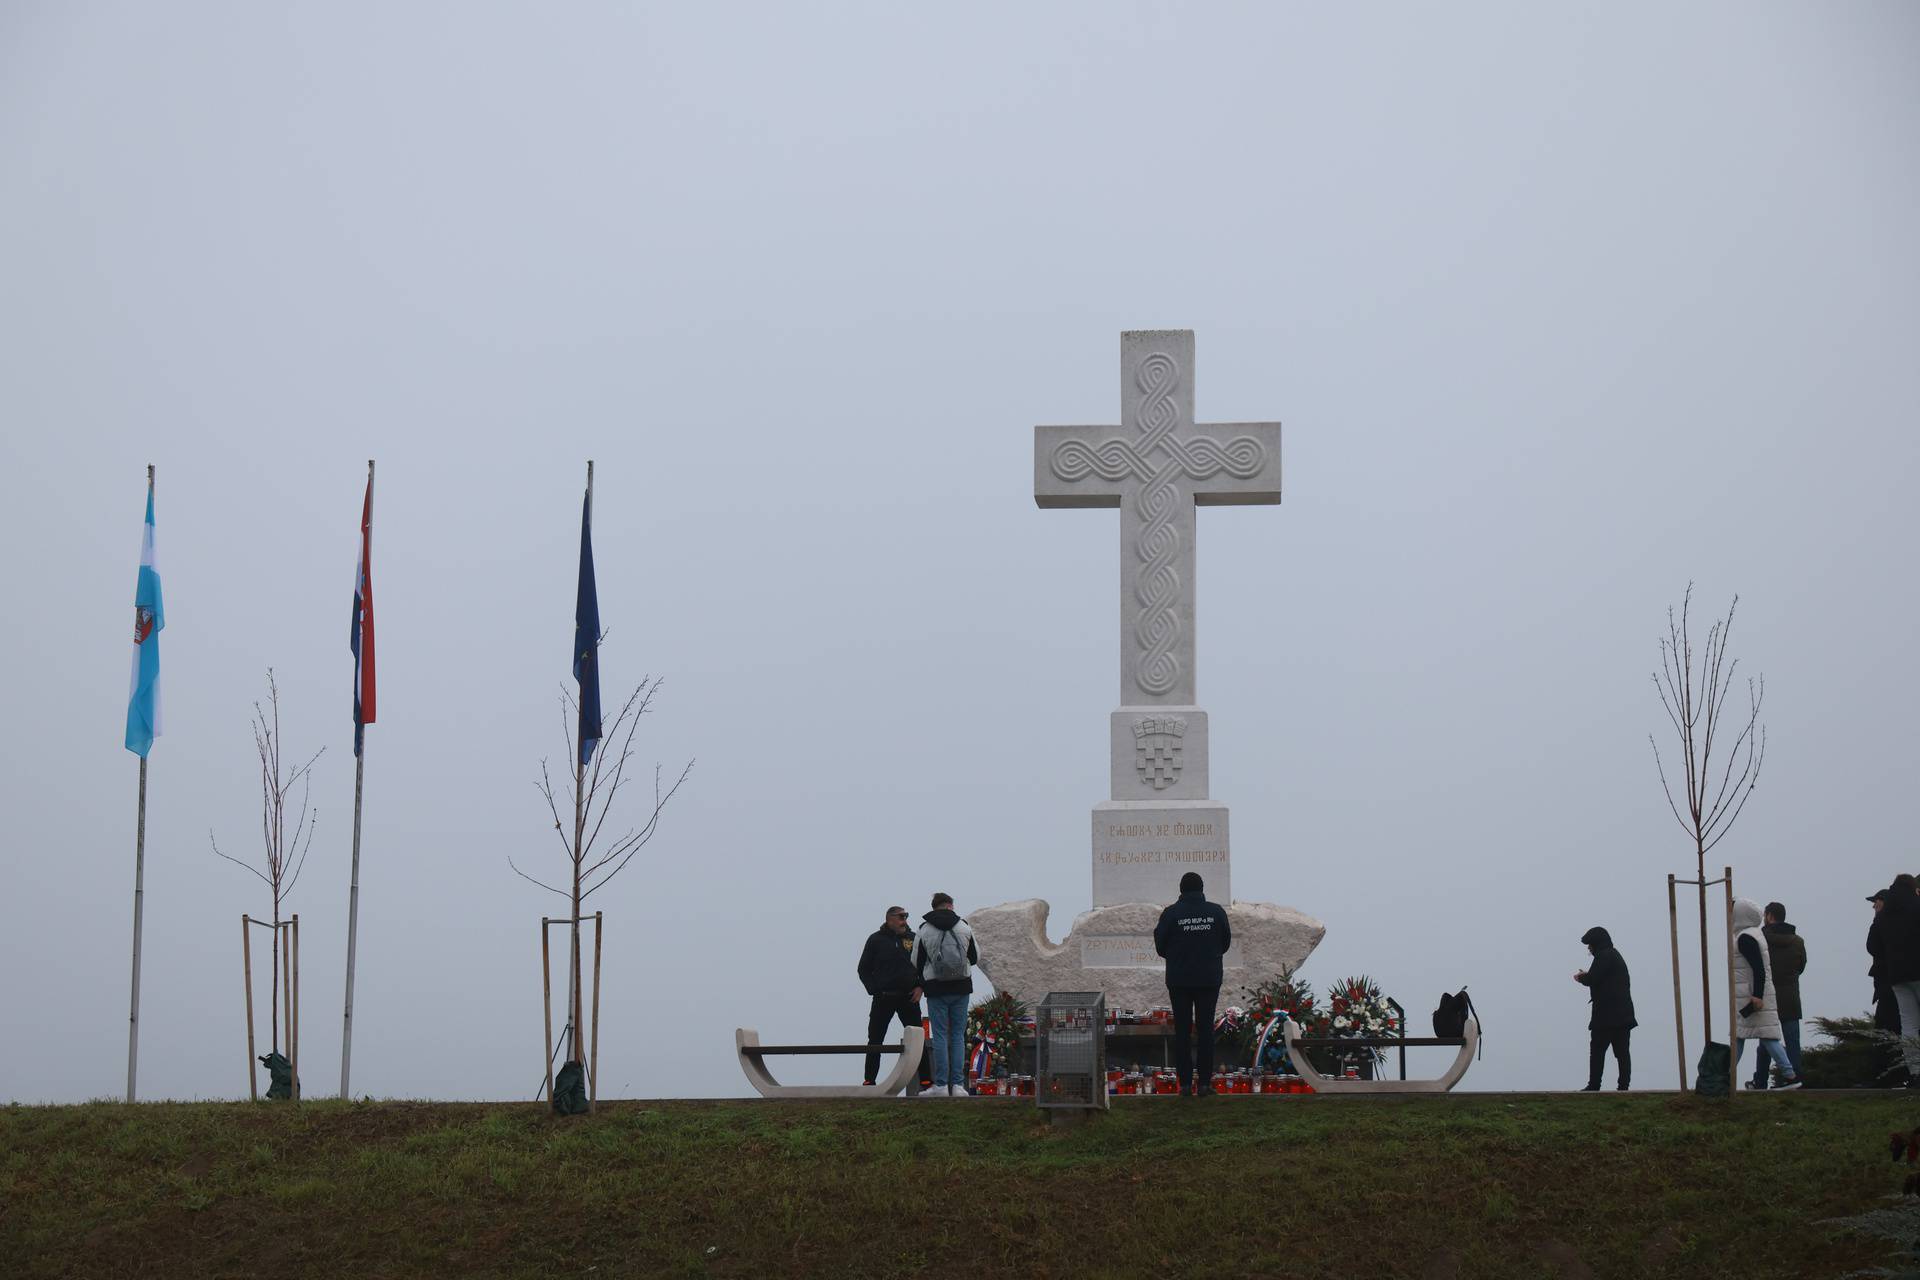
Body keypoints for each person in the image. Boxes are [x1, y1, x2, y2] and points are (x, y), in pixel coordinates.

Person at [1153, 871, 1232, 1097]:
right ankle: (1205, 1084)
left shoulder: (1171, 914)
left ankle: (1186, 1084)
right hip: (1209, 979)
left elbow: (1160, 946)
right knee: (1206, 1030)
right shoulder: (1216, 912)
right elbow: (1225, 942)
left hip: (1180, 980)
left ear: (1181, 890)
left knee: (1183, 1032)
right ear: (1201, 889)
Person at [1731, 897, 1804, 1090]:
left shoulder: (1746, 937)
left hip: (1753, 997)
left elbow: (1757, 968)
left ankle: (1790, 1076)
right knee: (1742, 1035)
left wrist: (1757, 995)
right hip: (1764, 995)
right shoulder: (1754, 934)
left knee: (1766, 1038)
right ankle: (1727, 1077)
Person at [911, 893, 979, 1098]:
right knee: (958, 1035)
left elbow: (916, 961)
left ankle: (940, 1085)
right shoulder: (964, 926)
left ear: (934, 907)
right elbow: (975, 957)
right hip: (961, 986)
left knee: (939, 1036)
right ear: (950, 905)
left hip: (936, 987)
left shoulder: (924, 929)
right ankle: (958, 1086)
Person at [856, 905, 930, 1089]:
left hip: (909, 998)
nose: (905, 920)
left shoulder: (914, 939)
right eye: (901, 917)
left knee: (918, 1039)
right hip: (883, 998)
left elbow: (926, 966)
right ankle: (869, 1080)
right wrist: (875, 990)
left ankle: (927, 1081)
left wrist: (921, 987)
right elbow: (863, 969)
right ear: (890, 919)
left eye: (906, 916)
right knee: (875, 1040)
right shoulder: (875, 940)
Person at [1573, 926, 1636, 1091]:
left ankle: (1594, 1086)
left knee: (1598, 1052)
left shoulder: (1604, 956)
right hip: (1622, 1015)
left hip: (1607, 1017)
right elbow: (1601, 977)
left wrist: (1581, 977)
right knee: (1622, 1053)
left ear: (1595, 944)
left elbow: (1593, 978)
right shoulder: (1613, 955)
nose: (1589, 949)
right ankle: (1623, 1087)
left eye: (1589, 946)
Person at [1881, 874, 1920, 1088]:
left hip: (1896, 975)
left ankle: (1915, 1072)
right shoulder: (1917, 906)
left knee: (1909, 1025)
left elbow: (1875, 945)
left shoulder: (1886, 912)